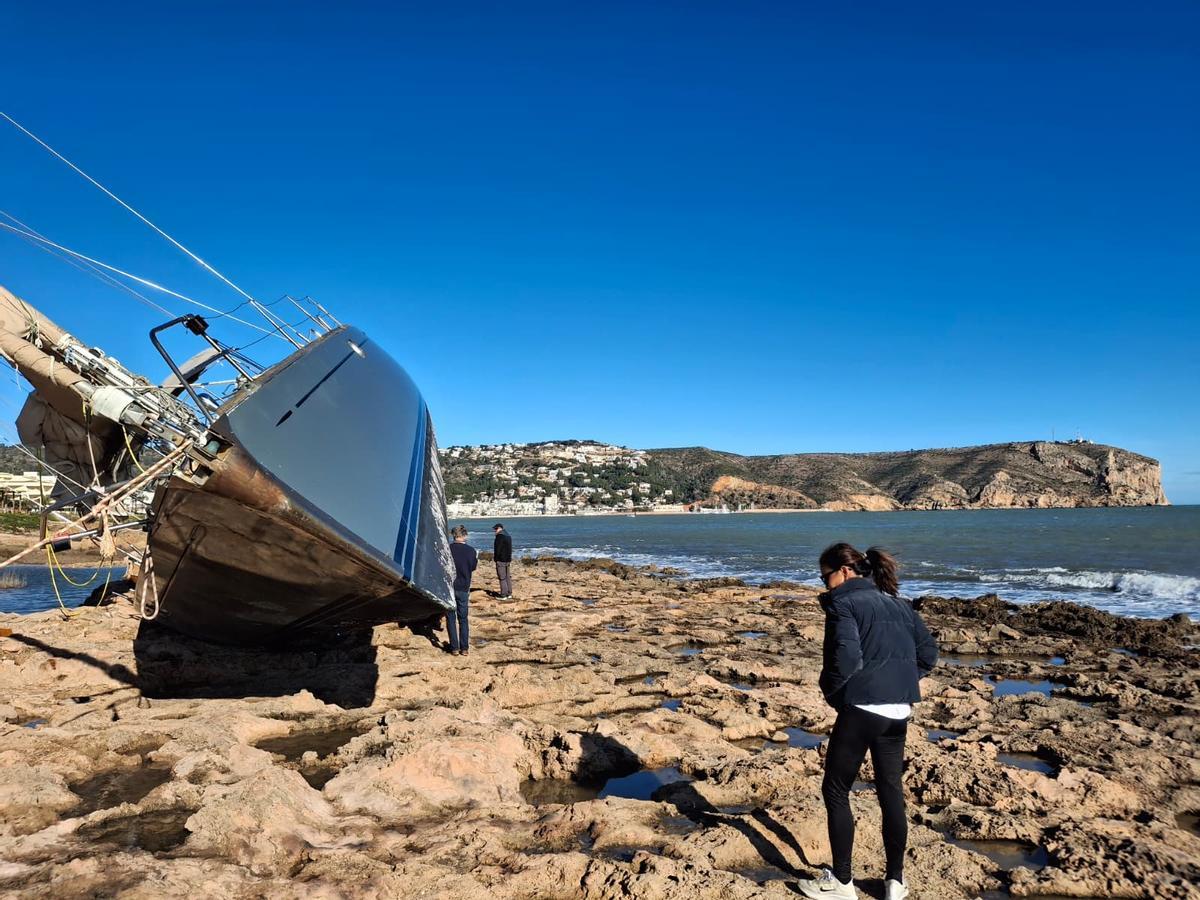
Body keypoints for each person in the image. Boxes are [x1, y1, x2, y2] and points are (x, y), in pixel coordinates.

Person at [796, 543, 938, 900]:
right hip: (899, 712)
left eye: (824, 576)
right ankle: (895, 882)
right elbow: (928, 654)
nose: (823, 583)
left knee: (836, 789)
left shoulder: (844, 603)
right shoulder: (899, 604)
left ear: (844, 572)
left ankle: (842, 883)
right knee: (891, 791)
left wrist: (832, 694)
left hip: (862, 709)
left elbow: (846, 659)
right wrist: (899, 682)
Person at [446, 525, 476, 656]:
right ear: (465, 535)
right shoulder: (471, 551)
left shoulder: (447, 549)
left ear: (454, 535)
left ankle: (454, 648)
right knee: (463, 619)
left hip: (449, 587)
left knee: (451, 618)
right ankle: (464, 648)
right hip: (463, 586)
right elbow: (473, 567)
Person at [493, 523, 513, 599]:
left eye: (496, 529)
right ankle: (509, 593)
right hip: (507, 559)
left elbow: (498, 549)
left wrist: (496, 558)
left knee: (502, 577)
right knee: (507, 577)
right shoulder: (508, 536)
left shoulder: (499, 537)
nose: (495, 531)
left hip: (501, 560)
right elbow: (510, 549)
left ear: (500, 528)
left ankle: (503, 594)